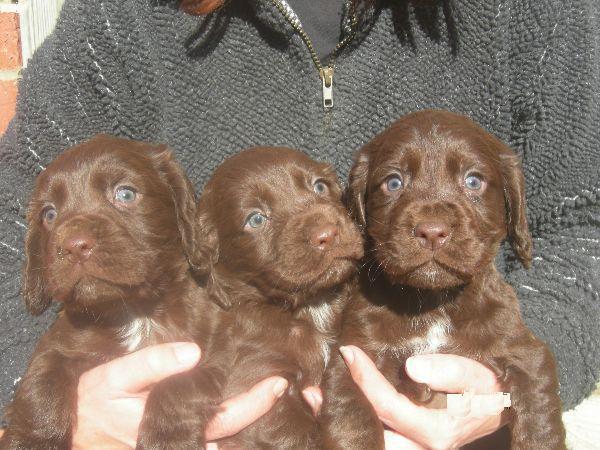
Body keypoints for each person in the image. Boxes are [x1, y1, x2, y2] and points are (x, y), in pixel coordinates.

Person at [0, 0, 598, 448]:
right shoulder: (117, 24)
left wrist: (514, 377)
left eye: (320, 189)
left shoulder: (533, 13)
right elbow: (11, 239)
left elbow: (586, 223)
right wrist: (47, 415)